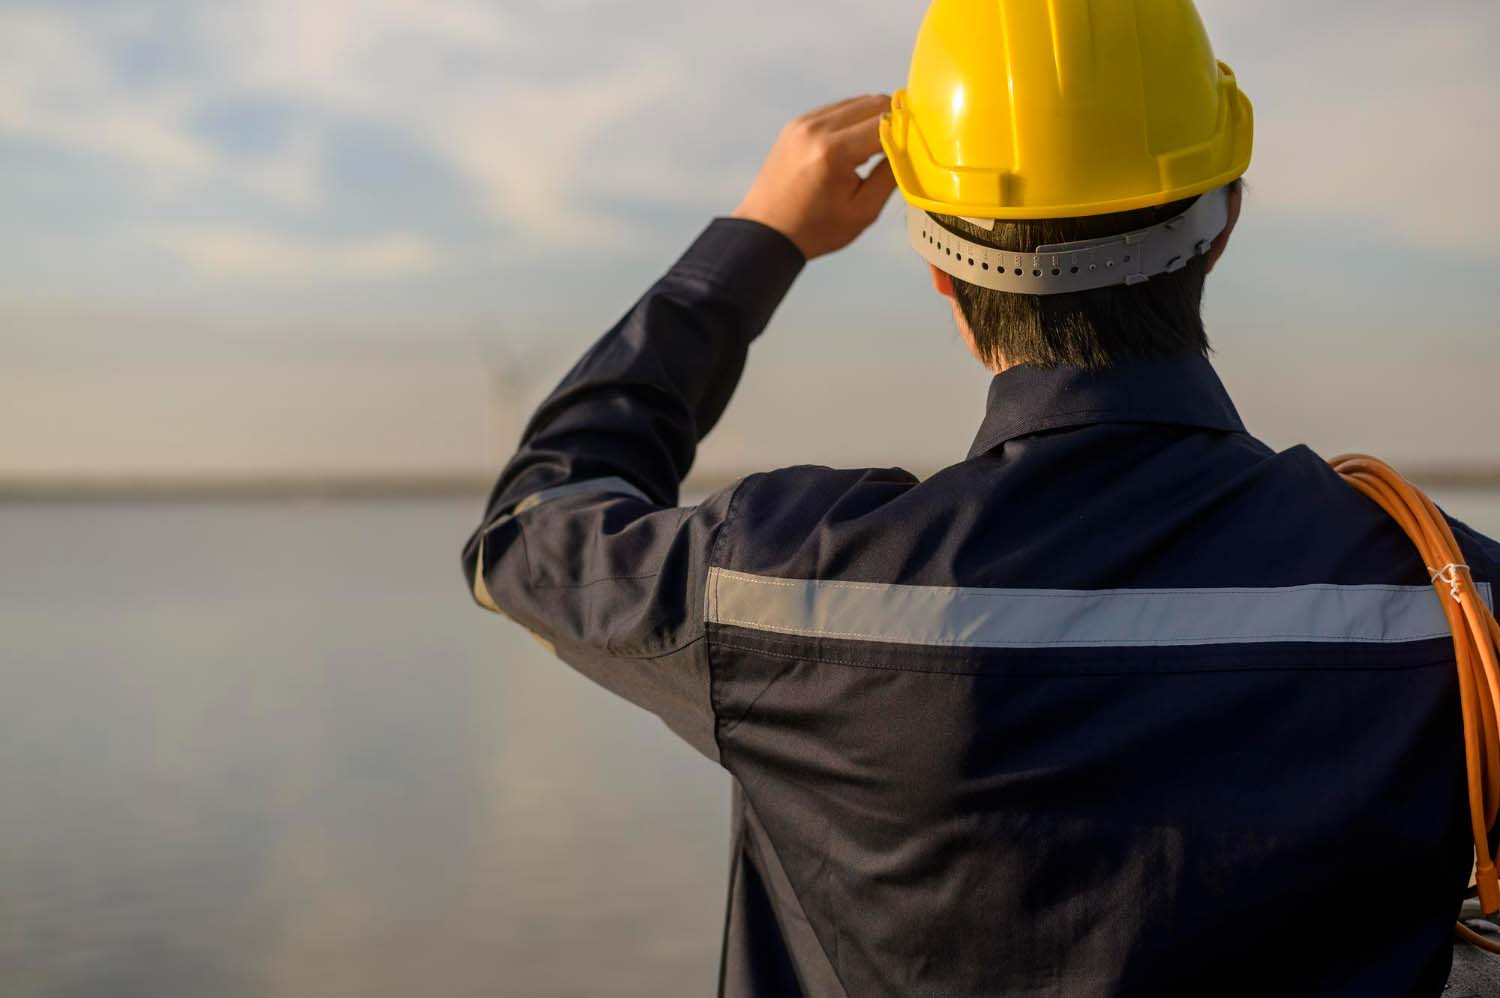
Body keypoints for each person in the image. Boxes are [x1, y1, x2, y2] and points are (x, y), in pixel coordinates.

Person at [463, 2, 1497, 994]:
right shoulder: (1455, 614)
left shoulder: (788, 592)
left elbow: (527, 529)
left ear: (939, 266)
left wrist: (753, 243)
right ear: (1222, 223)